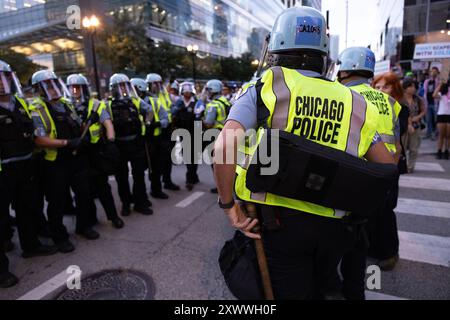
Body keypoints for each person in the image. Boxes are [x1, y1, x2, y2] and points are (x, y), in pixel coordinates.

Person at [213, 7, 396, 300]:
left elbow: (223, 148)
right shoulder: (358, 104)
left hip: (277, 225)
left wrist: (228, 206)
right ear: (324, 56)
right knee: (323, 286)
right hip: (335, 228)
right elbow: (385, 167)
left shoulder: (263, 88)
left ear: (274, 50)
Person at [336, 47, 401, 299]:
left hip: (351, 175)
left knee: (340, 237)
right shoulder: (389, 101)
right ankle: (356, 292)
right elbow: (396, 144)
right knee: (361, 238)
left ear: (344, 69)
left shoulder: (341, 95)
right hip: (382, 174)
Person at [0, 61, 57, 288]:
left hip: (25, 164)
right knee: (1, 218)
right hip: (2, 170)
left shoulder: (22, 103)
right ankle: (1, 269)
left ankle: (30, 246)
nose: (1, 84)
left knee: (28, 208)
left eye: (3, 78)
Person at [30, 70, 100, 253]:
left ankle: (83, 226)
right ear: (39, 89)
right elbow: (39, 139)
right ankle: (59, 236)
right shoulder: (37, 109)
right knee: (57, 201)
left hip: (77, 159)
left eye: (54, 84)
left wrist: (89, 123)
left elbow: (78, 125)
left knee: (84, 194)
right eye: (48, 86)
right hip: (55, 162)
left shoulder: (67, 105)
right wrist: (67, 143)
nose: (53, 89)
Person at [67, 74, 124, 229]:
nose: (75, 90)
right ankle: (88, 220)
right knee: (83, 190)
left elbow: (108, 123)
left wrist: (111, 141)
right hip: (78, 152)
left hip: (95, 151)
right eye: (72, 87)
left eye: (78, 87)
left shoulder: (96, 104)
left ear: (84, 88)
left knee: (103, 187)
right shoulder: (66, 105)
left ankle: (113, 217)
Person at [108, 74, 153, 216]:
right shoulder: (108, 104)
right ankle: (126, 204)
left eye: (125, 85)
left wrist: (147, 122)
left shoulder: (136, 100)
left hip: (136, 143)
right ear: (114, 88)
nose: (123, 88)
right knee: (121, 177)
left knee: (139, 174)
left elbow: (149, 111)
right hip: (119, 145)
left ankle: (140, 203)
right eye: (120, 86)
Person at [144, 74, 173, 199]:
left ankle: (167, 181)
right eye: (155, 83)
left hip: (166, 129)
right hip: (154, 132)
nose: (157, 85)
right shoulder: (146, 98)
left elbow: (169, 109)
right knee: (155, 163)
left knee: (167, 159)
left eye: (159, 83)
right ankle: (155, 188)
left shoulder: (164, 94)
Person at [172, 82, 200, 190]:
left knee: (194, 156)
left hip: (195, 132)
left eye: (189, 91)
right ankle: (190, 178)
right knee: (188, 156)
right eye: (185, 91)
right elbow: (174, 115)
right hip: (183, 132)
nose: (187, 93)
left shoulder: (196, 102)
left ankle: (192, 176)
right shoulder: (179, 102)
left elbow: (200, 116)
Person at [203, 79, 228, 194]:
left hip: (215, 135)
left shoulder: (213, 105)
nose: (207, 92)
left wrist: (201, 119)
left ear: (213, 90)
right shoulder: (226, 101)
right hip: (227, 134)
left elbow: (209, 123)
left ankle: (220, 187)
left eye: (208, 90)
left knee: (216, 165)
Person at [400, 77, 426, 173]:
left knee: (414, 148)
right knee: (402, 147)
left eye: (414, 86)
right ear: (405, 87)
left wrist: (418, 117)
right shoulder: (400, 99)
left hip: (416, 126)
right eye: (411, 86)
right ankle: (403, 165)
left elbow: (423, 111)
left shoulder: (418, 99)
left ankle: (410, 167)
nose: (413, 88)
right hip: (403, 126)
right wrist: (408, 123)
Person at [433, 76, 450, 160]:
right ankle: (439, 151)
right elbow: (434, 95)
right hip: (441, 114)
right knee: (441, 135)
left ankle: (446, 151)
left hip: (449, 115)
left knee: (448, 135)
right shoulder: (441, 94)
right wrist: (440, 84)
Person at [423, 67, 440, 140]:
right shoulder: (427, 81)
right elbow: (424, 91)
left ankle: (436, 133)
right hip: (428, 103)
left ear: (437, 73)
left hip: (435, 103)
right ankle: (429, 133)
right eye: (432, 71)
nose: (433, 73)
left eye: (435, 71)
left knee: (436, 119)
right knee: (428, 119)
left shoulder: (438, 81)